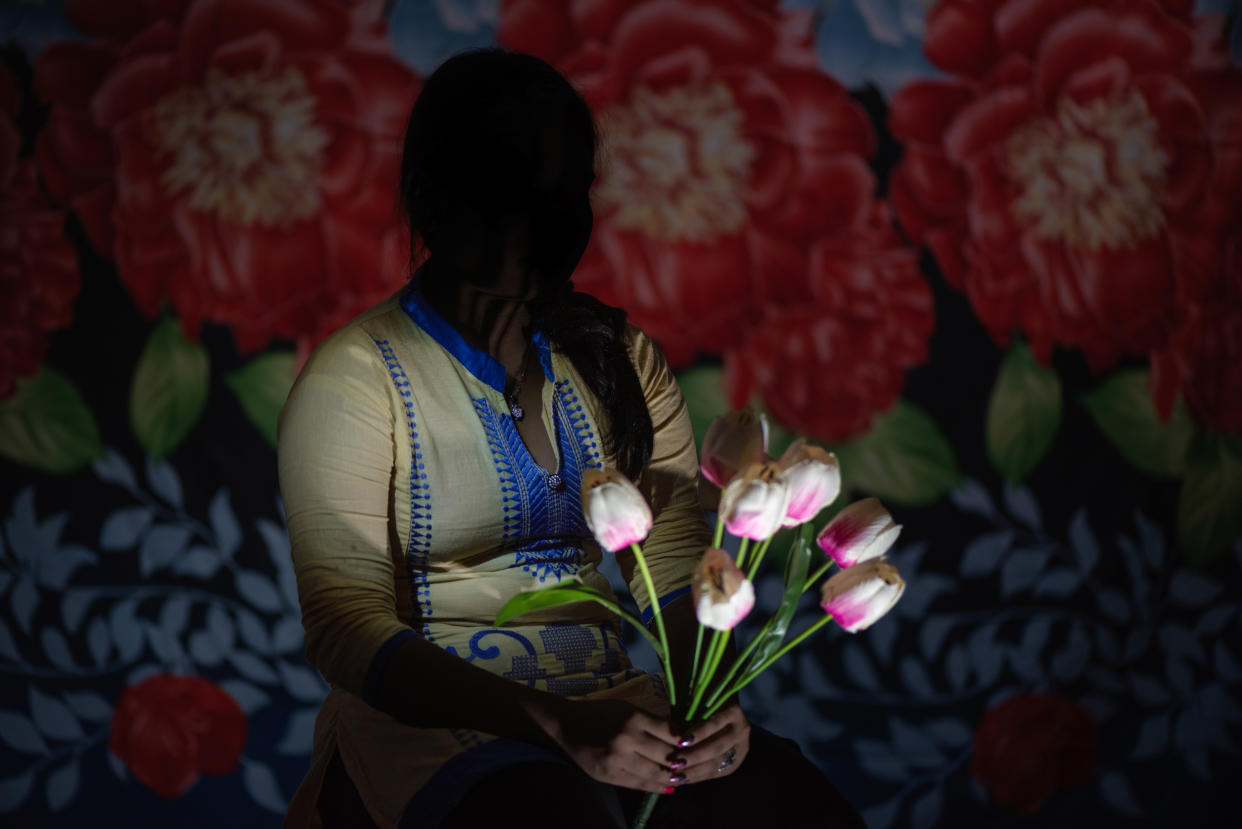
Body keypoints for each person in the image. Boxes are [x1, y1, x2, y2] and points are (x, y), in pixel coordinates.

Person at [277, 48, 863, 829]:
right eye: (509, 188)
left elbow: (682, 568)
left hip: (609, 702)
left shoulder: (619, 359)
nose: (540, 219)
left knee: (791, 805)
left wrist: (708, 702)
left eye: (565, 190)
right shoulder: (357, 379)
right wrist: (560, 727)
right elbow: (348, 628)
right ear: (432, 200)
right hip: (429, 729)